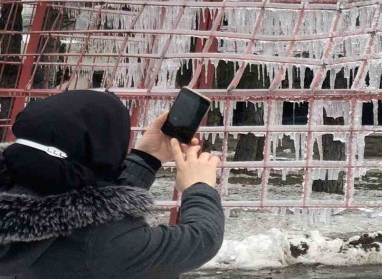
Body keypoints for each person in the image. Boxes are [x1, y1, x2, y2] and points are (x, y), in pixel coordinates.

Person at [0, 90, 224, 278]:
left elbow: (88, 203)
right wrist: (199, 187)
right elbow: (202, 239)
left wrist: (147, 158)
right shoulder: (102, 243)